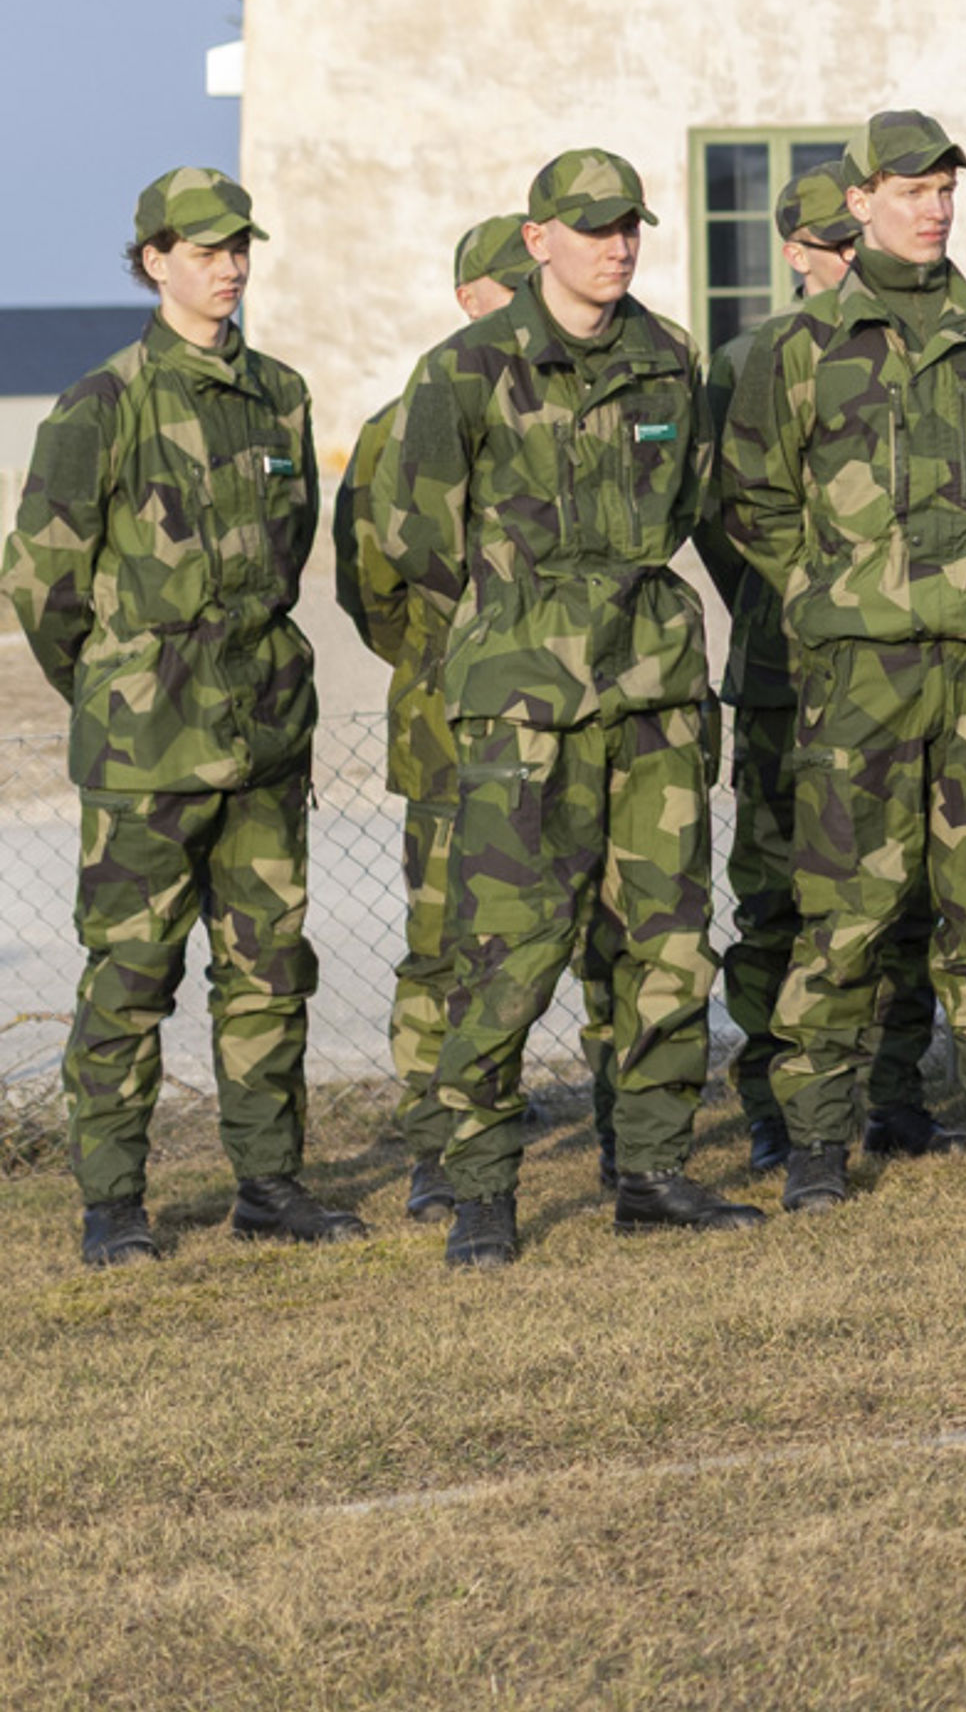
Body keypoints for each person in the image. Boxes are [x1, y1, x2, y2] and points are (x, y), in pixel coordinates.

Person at [371, 150, 762, 1264]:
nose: (618, 244)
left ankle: (649, 1167)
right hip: (525, 708)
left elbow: (689, 500)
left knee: (667, 942)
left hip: (654, 697)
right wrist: (519, 620)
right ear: (538, 238)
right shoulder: (463, 368)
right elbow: (413, 535)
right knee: (507, 950)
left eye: (630, 225)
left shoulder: (668, 357)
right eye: (593, 228)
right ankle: (482, 1187)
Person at [722, 109, 966, 1208]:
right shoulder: (802, 345)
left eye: (943, 190)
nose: (932, 207)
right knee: (846, 911)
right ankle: (821, 1145)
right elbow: (755, 498)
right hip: (861, 672)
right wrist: (829, 595)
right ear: (861, 201)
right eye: (910, 190)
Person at [6, 169, 355, 1267]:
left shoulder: (281, 395)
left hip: (262, 731)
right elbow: (41, 583)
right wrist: (118, 685)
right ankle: (113, 1202)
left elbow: (289, 552)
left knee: (268, 968)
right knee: (130, 978)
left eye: (239, 245)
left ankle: (269, 1183)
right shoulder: (102, 405)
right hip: (147, 749)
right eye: (204, 249)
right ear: (154, 260)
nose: (230, 264)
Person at [702, 163, 957, 1175]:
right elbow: (724, 511)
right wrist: (800, 594)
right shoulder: (750, 359)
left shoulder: (903, 346)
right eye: (831, 247)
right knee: (777, 901)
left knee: (902, 897)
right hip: (781, 669)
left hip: (893, 666)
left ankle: (895, 1092)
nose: (849, 262)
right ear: (796, 251)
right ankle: (775, 1101)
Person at [337, 212, 534, 1220]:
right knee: (448, 936)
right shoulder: (399, 425)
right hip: (451, 722)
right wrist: (440, 657)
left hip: (563, 717)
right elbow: (370, 584)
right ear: (470, 299)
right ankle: (434, 1132)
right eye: (514, 284)